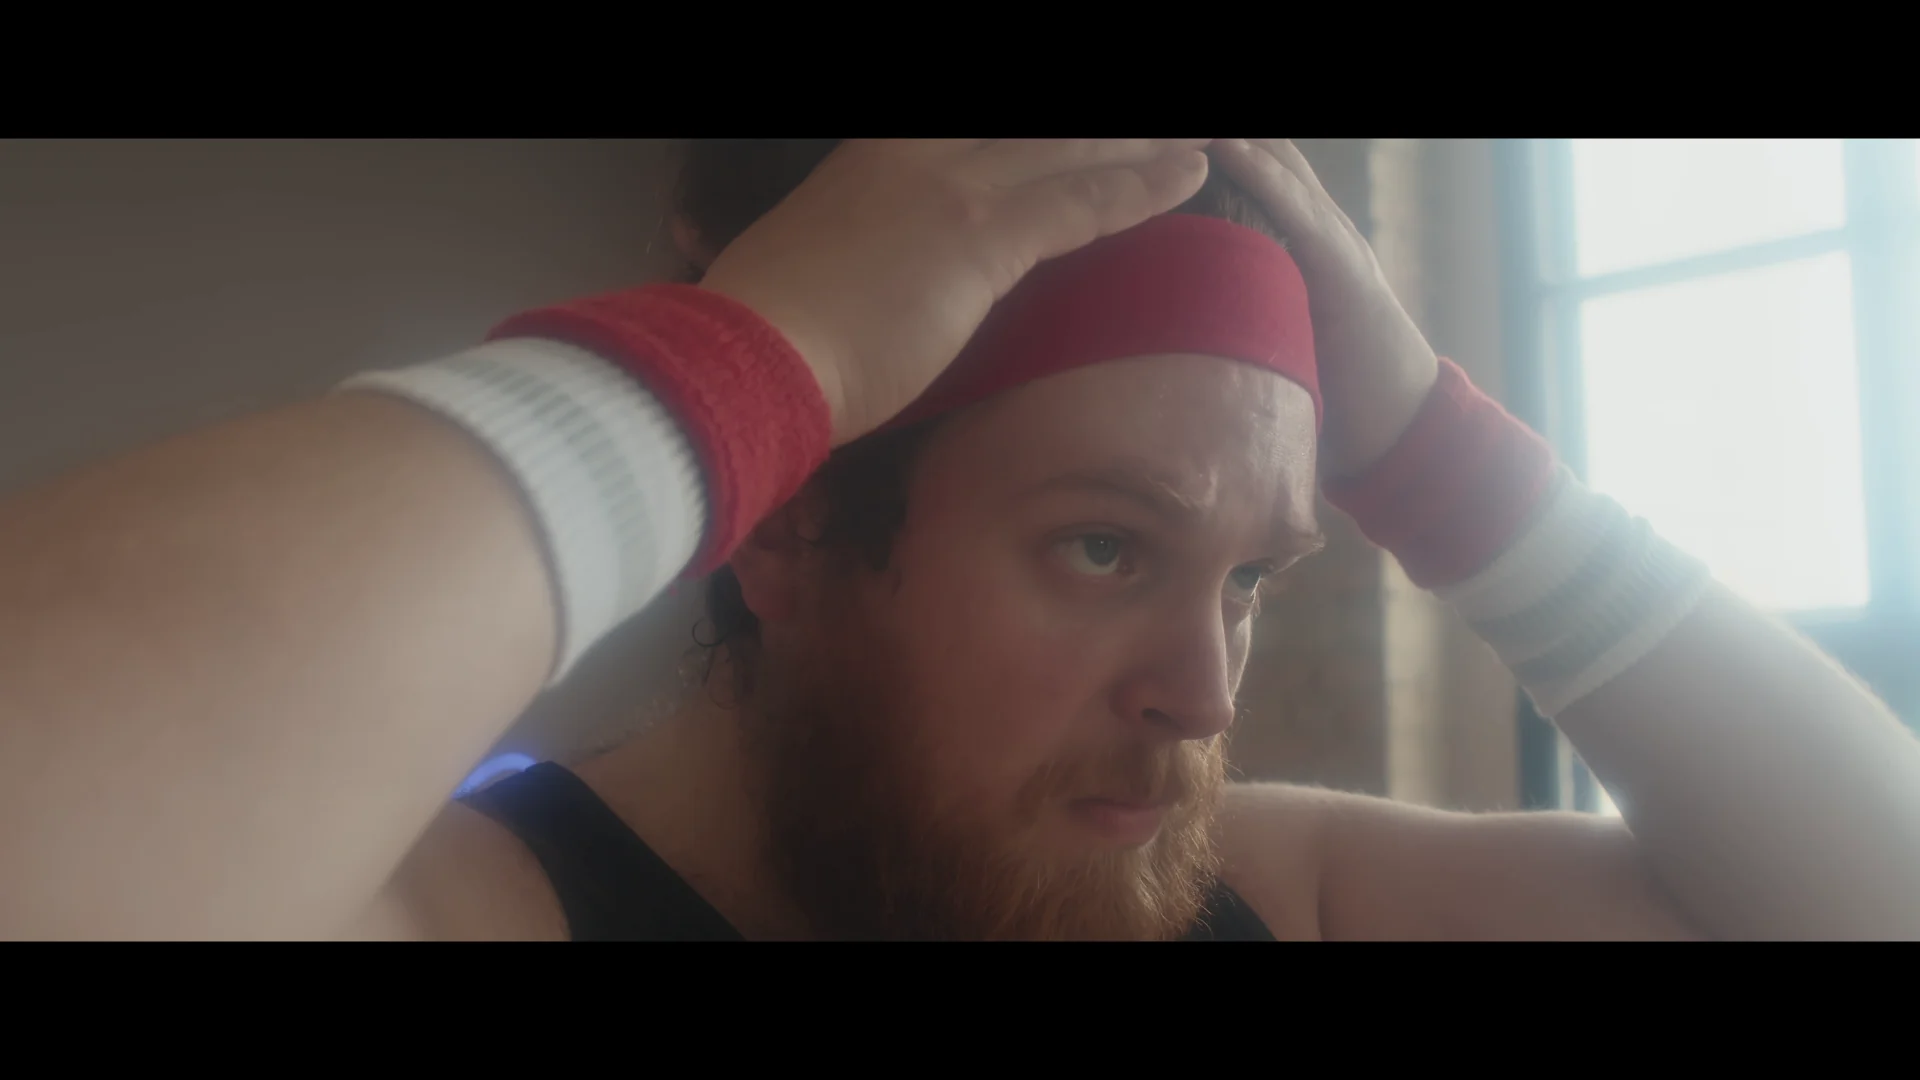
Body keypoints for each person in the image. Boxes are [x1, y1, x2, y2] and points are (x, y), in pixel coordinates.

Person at [1, 139, 1915, 940]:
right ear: (786, 531)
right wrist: (750, 366)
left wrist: (1433, 447)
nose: (1201, 693)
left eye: (1249, 574)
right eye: (1104, 549)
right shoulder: (477, 909)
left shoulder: (1271, 887)